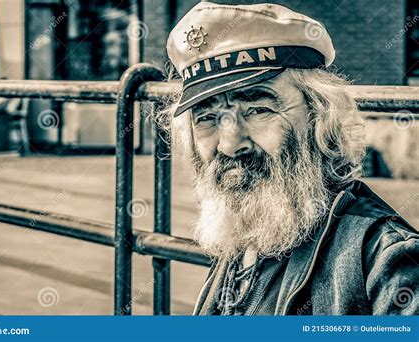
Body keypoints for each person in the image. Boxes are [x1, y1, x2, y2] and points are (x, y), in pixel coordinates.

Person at [158, 2, 418, 315]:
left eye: (258, 110)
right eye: (208, 117)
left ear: (319, 117)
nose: (229, 145)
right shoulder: (248, 234)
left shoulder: (387, 261)